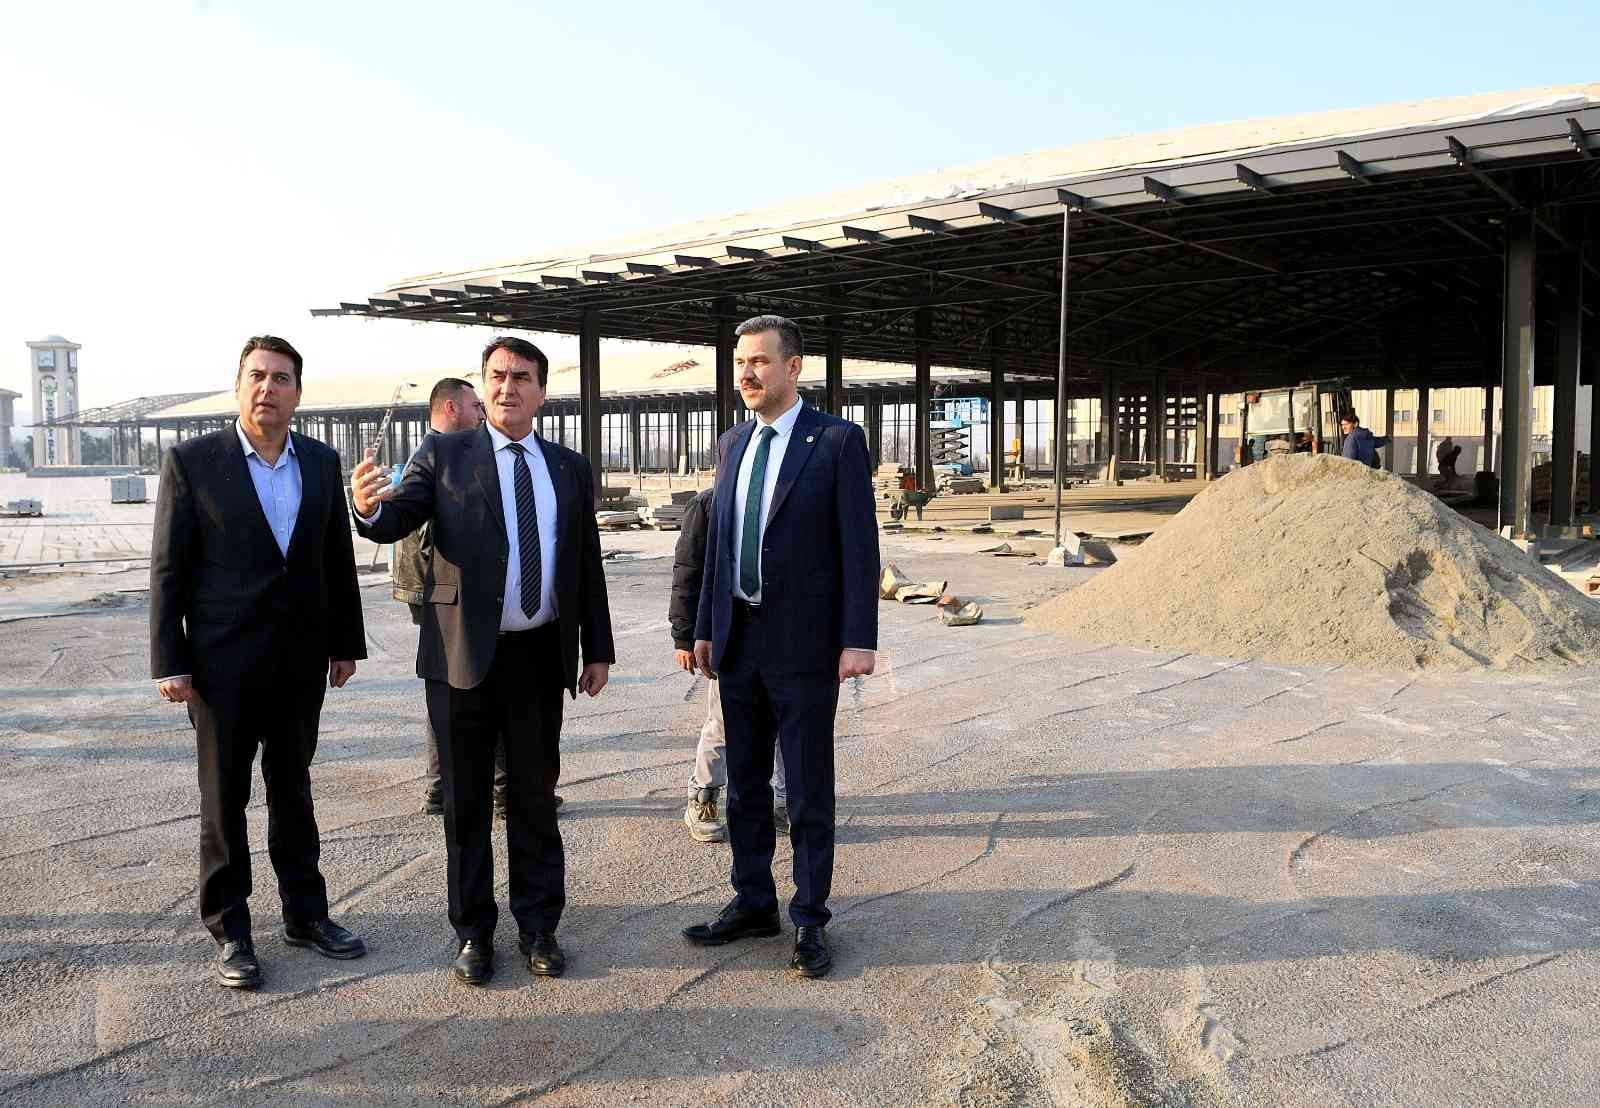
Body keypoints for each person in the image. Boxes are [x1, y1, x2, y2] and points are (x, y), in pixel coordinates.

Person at [350, 336, 614, 988]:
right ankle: (473, 932)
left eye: (521, 377)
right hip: (460, 655)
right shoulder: (445, 453)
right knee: (465, 805)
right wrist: (367, 507)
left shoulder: (567, 468)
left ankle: (539, 926)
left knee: (533, 800)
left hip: (538, 657)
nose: (506, 387)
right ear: (483, 384)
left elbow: (584, 562)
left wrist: (598, 648)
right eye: (496, 376)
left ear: (542, 392)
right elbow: (396, 518)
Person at [150, 335, 368, 990]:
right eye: (257, 376)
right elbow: (168, 569)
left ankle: (307, 915)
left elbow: (336, 559)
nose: (268, 388)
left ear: (298, 392)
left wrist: (346, 642)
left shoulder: (321, 462)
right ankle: (232, 930)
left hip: (300, 662)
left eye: (281, 378)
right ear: (239, 385)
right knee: (224, 800)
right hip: (221, 666)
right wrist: (169, 659)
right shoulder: (193, 462)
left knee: (293, 790)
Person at [682, 315, 878, 979]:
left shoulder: (837, 441)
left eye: (760, 361)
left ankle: (810, 918)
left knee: (808, 790)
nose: (747, 373)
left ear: (793, 368)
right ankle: (753, 901)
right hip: (738, 640)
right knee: (743, 786)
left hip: (805, 648)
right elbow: (719, 544)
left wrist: (858, 639)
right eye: (741, 362)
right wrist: (705, 627)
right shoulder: (733, 442)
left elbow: (859, 546)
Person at [668, 487, 787, 843]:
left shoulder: (784, 495)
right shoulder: (707, 505)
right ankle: (702, 796)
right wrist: (684, 636)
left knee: (787, 724)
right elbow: (687, 572)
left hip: (784, 633)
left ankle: (785, 802)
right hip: (731, 634)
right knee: (722, 722)